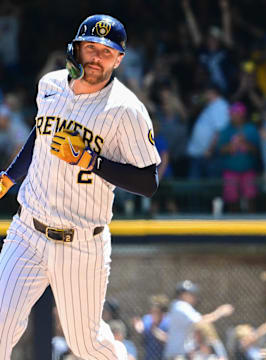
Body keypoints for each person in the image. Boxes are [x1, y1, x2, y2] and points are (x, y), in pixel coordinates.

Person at [0, 14, 161, 360]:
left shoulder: (127, 110)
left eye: (107, 51)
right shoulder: (51, 84)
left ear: (119, 59)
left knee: (87, 344)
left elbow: (148, 181)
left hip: (81, 241)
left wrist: (91, 161)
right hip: (27, 230)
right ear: (76, 48)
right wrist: (11, 176)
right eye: (91, 47)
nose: (97, 56)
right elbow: (40, 134)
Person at [164, 280, 234, 360]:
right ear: (183, 295)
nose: (194, 297)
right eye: (191, 294)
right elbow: (201, 321)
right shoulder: (181, 306)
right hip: (177, 355)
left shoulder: (177, 306)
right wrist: (220, 312)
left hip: (178, 354)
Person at [132, 294, 170, 360]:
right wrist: (137, 325)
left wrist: (155, 330)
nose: (153, 314)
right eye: (152, 311)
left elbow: (167, 340)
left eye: (156, 312)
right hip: (149, 357)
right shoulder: (147, 318)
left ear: (162, 313)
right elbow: (140, 328)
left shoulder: (167, 322)